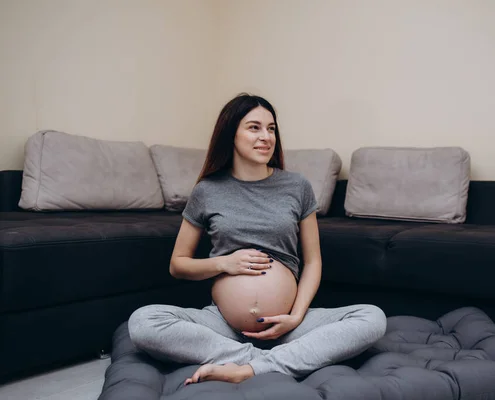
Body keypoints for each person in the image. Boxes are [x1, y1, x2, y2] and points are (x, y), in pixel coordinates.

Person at [128, 93, 387, 385]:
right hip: (223, 325)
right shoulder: (207, 190)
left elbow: (313, 261)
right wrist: (224, 263)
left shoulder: (297, 186)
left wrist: (296, 316)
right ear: (231, 134)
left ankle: (250, 367)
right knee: (142, 322)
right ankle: (260, 360)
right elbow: (178, 264)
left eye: (271, 128)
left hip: (288, 325)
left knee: (372, 318)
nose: (266, 137)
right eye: (254, 127)